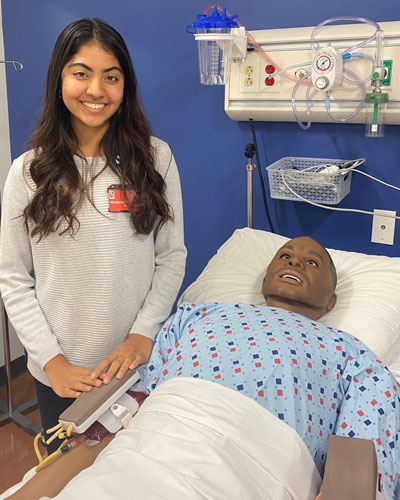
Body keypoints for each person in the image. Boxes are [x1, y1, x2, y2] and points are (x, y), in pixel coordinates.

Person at [4, 237, 399, 500]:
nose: (295, 260)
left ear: (331, 300)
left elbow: (366, 456)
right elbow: (142, 392)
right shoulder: (199, 314)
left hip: (254, 466)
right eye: (285, 255)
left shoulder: (354, 356)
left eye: (312, 262)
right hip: (157, 436)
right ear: (264, 276)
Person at [0, 18, 186, 454]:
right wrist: (51, 361)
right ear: (59, 79)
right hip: (60, 373)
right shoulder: (28, 173)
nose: (96, 90)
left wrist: (143, 334)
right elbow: (13, 278)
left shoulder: (156, 160)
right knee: (70, 473)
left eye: (111, 76)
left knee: (134, 470)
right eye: (81, 73)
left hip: (136, 364)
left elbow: (171, 256)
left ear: (126, 86)